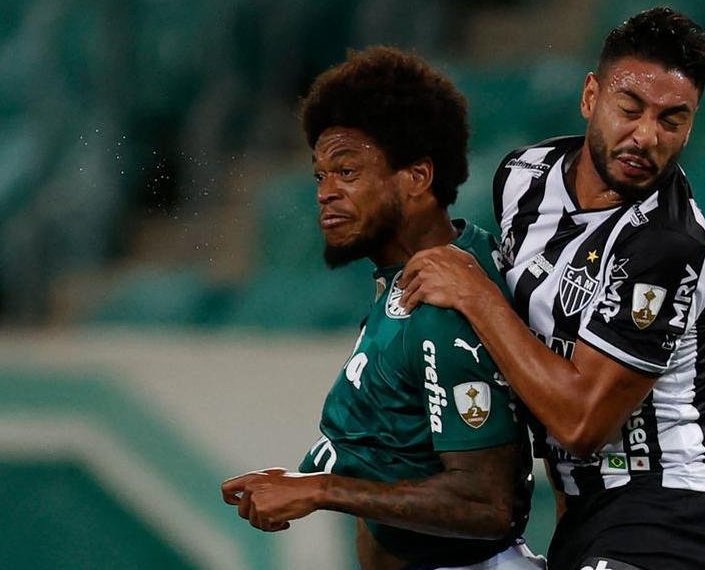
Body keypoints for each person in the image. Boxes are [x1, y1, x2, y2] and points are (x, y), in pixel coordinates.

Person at [400, 7, 705, 570]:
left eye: (672, 120)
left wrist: (476, 293)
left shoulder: (665, 244)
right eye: (629, 108)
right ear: (591, 97)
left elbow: (582, 425)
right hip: (586, 517)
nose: (645, 136)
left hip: (674, 514)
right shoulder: (524, 177)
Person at [220, 47, 541, 570]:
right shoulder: (408, 279)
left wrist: (323, 490)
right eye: (320, 176)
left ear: (415, 178)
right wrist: (295, 483)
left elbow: (486, 505)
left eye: (347, 171)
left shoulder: (444, 303)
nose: (326, 193)